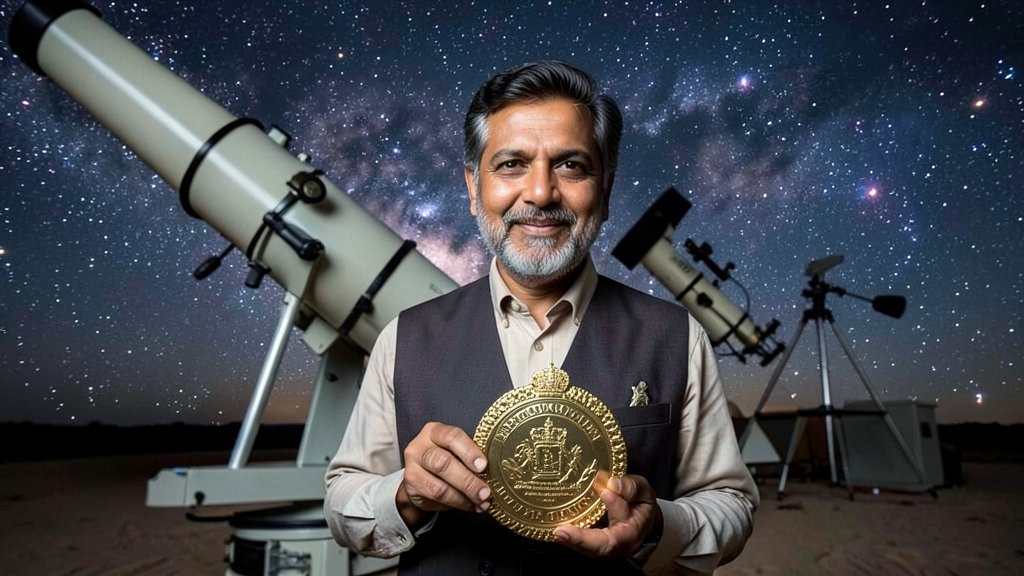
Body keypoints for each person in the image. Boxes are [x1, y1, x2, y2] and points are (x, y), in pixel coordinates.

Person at [325, 60, 758, 575]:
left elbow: (731, 502)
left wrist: (659, 526)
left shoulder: (677, 337)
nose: (540, 193)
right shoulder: (403, 339)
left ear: (606, 188)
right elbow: (343, 507)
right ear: (472, 186)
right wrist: (406, 495)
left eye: (571, 165)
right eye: (511, 164)